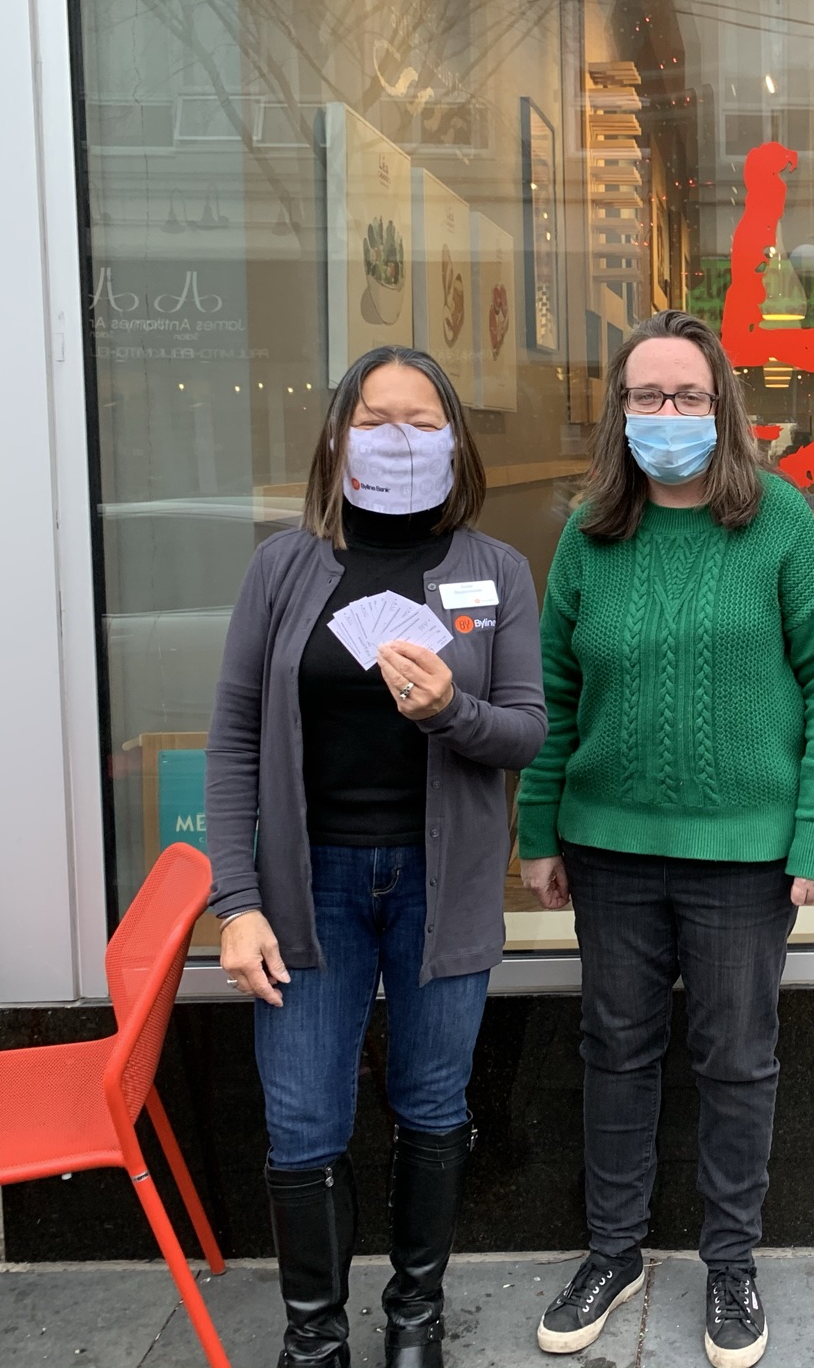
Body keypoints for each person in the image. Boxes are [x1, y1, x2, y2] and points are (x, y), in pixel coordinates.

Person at [517, 310, 814, 1368]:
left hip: (743, 859)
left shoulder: (780, 522)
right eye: (646, 396)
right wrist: (539, 830)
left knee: (734, 1060)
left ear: (723, 410)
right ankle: (613, 1252)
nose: (665, 414)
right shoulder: (587, 532)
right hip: (610, 849)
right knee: (615, 1051)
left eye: (687, 397)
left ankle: (730, 1264)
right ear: (617, 413)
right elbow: (553, 690)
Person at [205, 346, 546, 1368]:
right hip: (310, 894)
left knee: (434, 1103)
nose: (398, 439)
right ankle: (314, 1336)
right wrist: (235, 900)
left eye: (420, 419)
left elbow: (525, 731)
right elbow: (232, 738)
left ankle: (413, 1318)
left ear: (454, 439)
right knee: (303, 1113)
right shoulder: (283, 567)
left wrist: (454, 712)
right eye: (375, 418)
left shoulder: (495, 571)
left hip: (440, 890)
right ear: (338, 436)